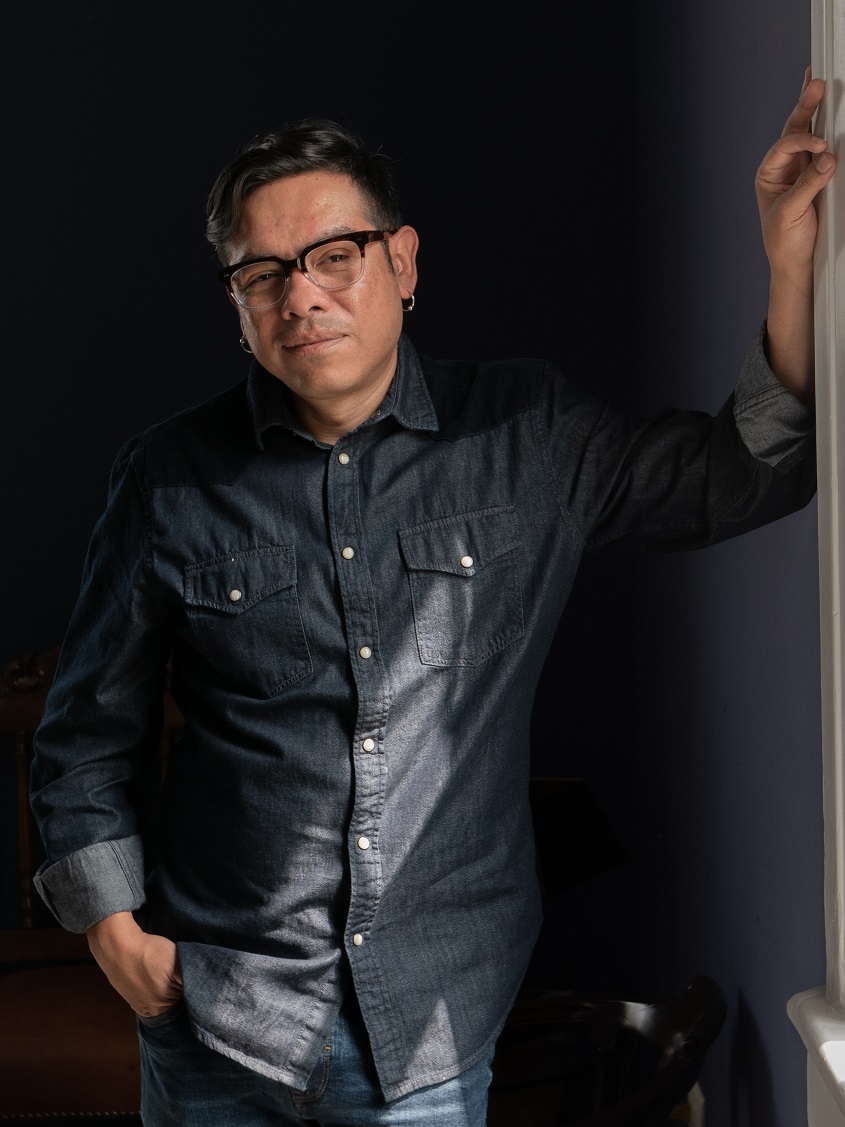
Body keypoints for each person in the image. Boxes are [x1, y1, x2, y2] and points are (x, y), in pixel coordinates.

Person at [30, 70, 835, 1126]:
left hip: (431, 1028)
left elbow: (743, 474)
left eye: (334, 256)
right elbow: (86, 735)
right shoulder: (168, 477)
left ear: (401, 262)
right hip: (218, 1018)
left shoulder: (526, 433)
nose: (300, 296)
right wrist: (116, 933)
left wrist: (790, 260)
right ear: (236, 303)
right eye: (262, 273)